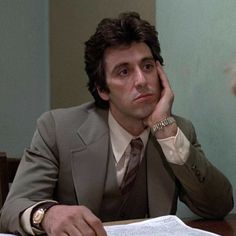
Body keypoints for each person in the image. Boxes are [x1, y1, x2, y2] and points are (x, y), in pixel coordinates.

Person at [0, 11, 233, 236]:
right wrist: (48, 215)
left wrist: (165, 129)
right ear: (102, 89)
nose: (141, 81)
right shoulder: (57, 129)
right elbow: (11, 209)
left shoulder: (177, 131)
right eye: (124, 72)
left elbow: (218, 206)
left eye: (148, 66)